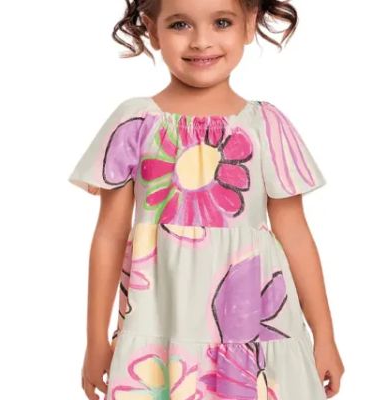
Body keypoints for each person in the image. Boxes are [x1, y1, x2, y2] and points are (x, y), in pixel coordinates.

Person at [68, 0, 345, 399]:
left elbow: (296, 235)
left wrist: (325, 335)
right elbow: (110, 236)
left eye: (222, 22)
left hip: (251, 322)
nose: (201, 41)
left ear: (248, 24)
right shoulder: (135, 122)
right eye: (180, 24)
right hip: (160, 318)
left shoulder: (265, 125)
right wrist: (95, 339)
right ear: (152, 29)